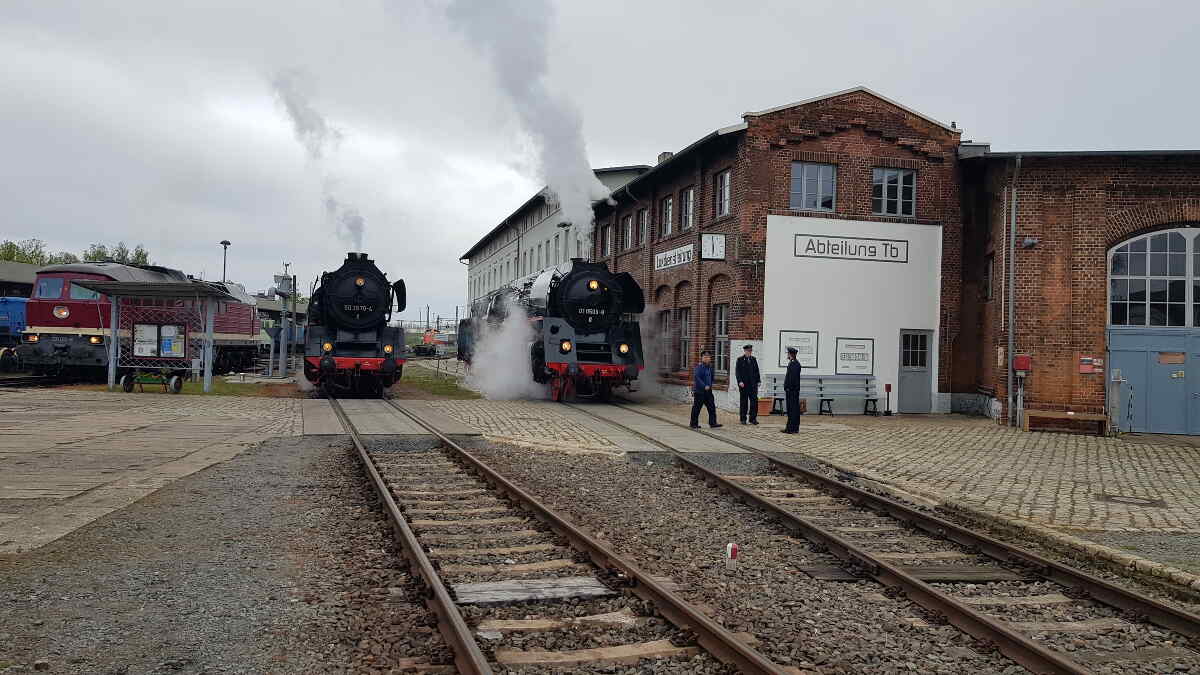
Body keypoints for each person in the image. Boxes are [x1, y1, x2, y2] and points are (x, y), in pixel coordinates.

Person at [689, 349, 723, 429]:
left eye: (708, 357)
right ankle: (693, 423)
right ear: (702, 358)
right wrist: (704, 386)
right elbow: (697, 378)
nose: (707, 358)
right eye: (705, 357)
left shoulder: (710, 367)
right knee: (697, 408)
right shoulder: (699, 367)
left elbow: (712, 377)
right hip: (699, 391)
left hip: (708, 391)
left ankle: (713, 423)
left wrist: (710, 384)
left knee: (712, 407)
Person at [735, 344, 761, 425]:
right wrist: (740, 381)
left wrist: (758, 380)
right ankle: (743, 419)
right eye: (748, 351)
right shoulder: (740, 360)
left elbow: (757, 371)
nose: (749, 352)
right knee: (744, 402)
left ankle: (753, 419)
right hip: (744, 385)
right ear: (745, 351)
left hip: (753, 385)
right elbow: (737, 372)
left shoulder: (753, 359)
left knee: (754, 402)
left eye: (750, 351)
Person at [782, 346, 802, 434]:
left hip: (792, 390)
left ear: (791, 354)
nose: (787, 355)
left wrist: (788, 388)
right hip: (792, 390)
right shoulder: (793, 363)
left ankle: (791, 428)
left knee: (792, 410)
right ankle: (794, 428)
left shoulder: (794, 364)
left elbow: (792, 379)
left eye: (788, 353)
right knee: (793, 409)